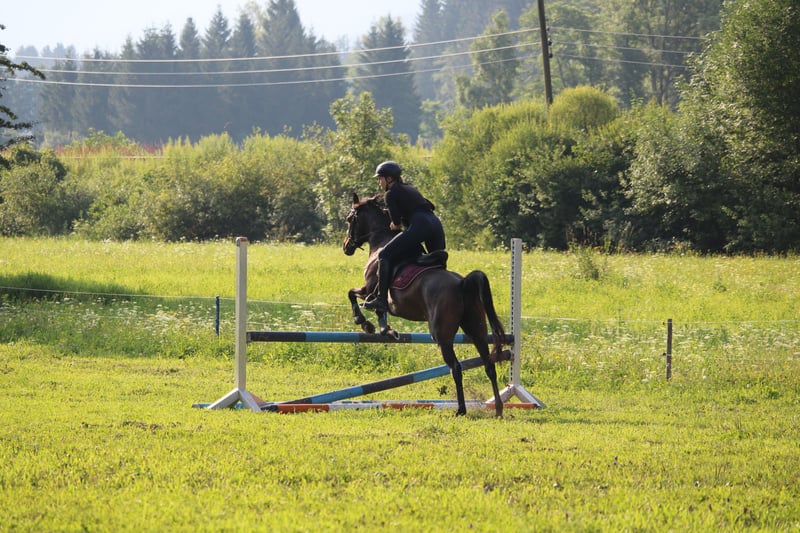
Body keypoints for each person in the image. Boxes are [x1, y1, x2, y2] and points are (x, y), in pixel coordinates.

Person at [364, 161, 446, 313]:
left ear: (389, 179)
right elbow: (430, 205)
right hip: (435, 224)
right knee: (437, 261)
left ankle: (381, 300)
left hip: (420, 224)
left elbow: (396, 223)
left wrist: (395, 224)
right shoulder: (410, 188)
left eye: (380, 178)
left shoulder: (390, 194)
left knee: (383, 255)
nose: (379, 182)